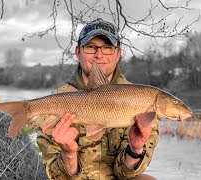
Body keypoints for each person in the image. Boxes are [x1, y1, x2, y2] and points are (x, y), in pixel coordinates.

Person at [36, 18, 159, 180]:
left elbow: (126, 173)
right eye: (91, 47)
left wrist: (135, 148)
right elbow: (56, 175)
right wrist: (69, 154)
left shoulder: (141, 100)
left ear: (118, 53)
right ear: (78, 51)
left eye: (107, 47)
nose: (99, 55)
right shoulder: (56, 102)